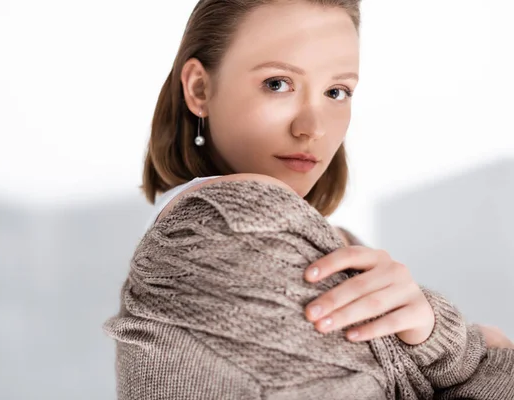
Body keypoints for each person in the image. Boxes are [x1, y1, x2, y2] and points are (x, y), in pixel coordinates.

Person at [104, 1, 514, 398]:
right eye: (277, 84)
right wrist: (483, 353)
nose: (312, 128)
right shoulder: (231, 224)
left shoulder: (328, 242)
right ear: (200, 89)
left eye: (336, 91)